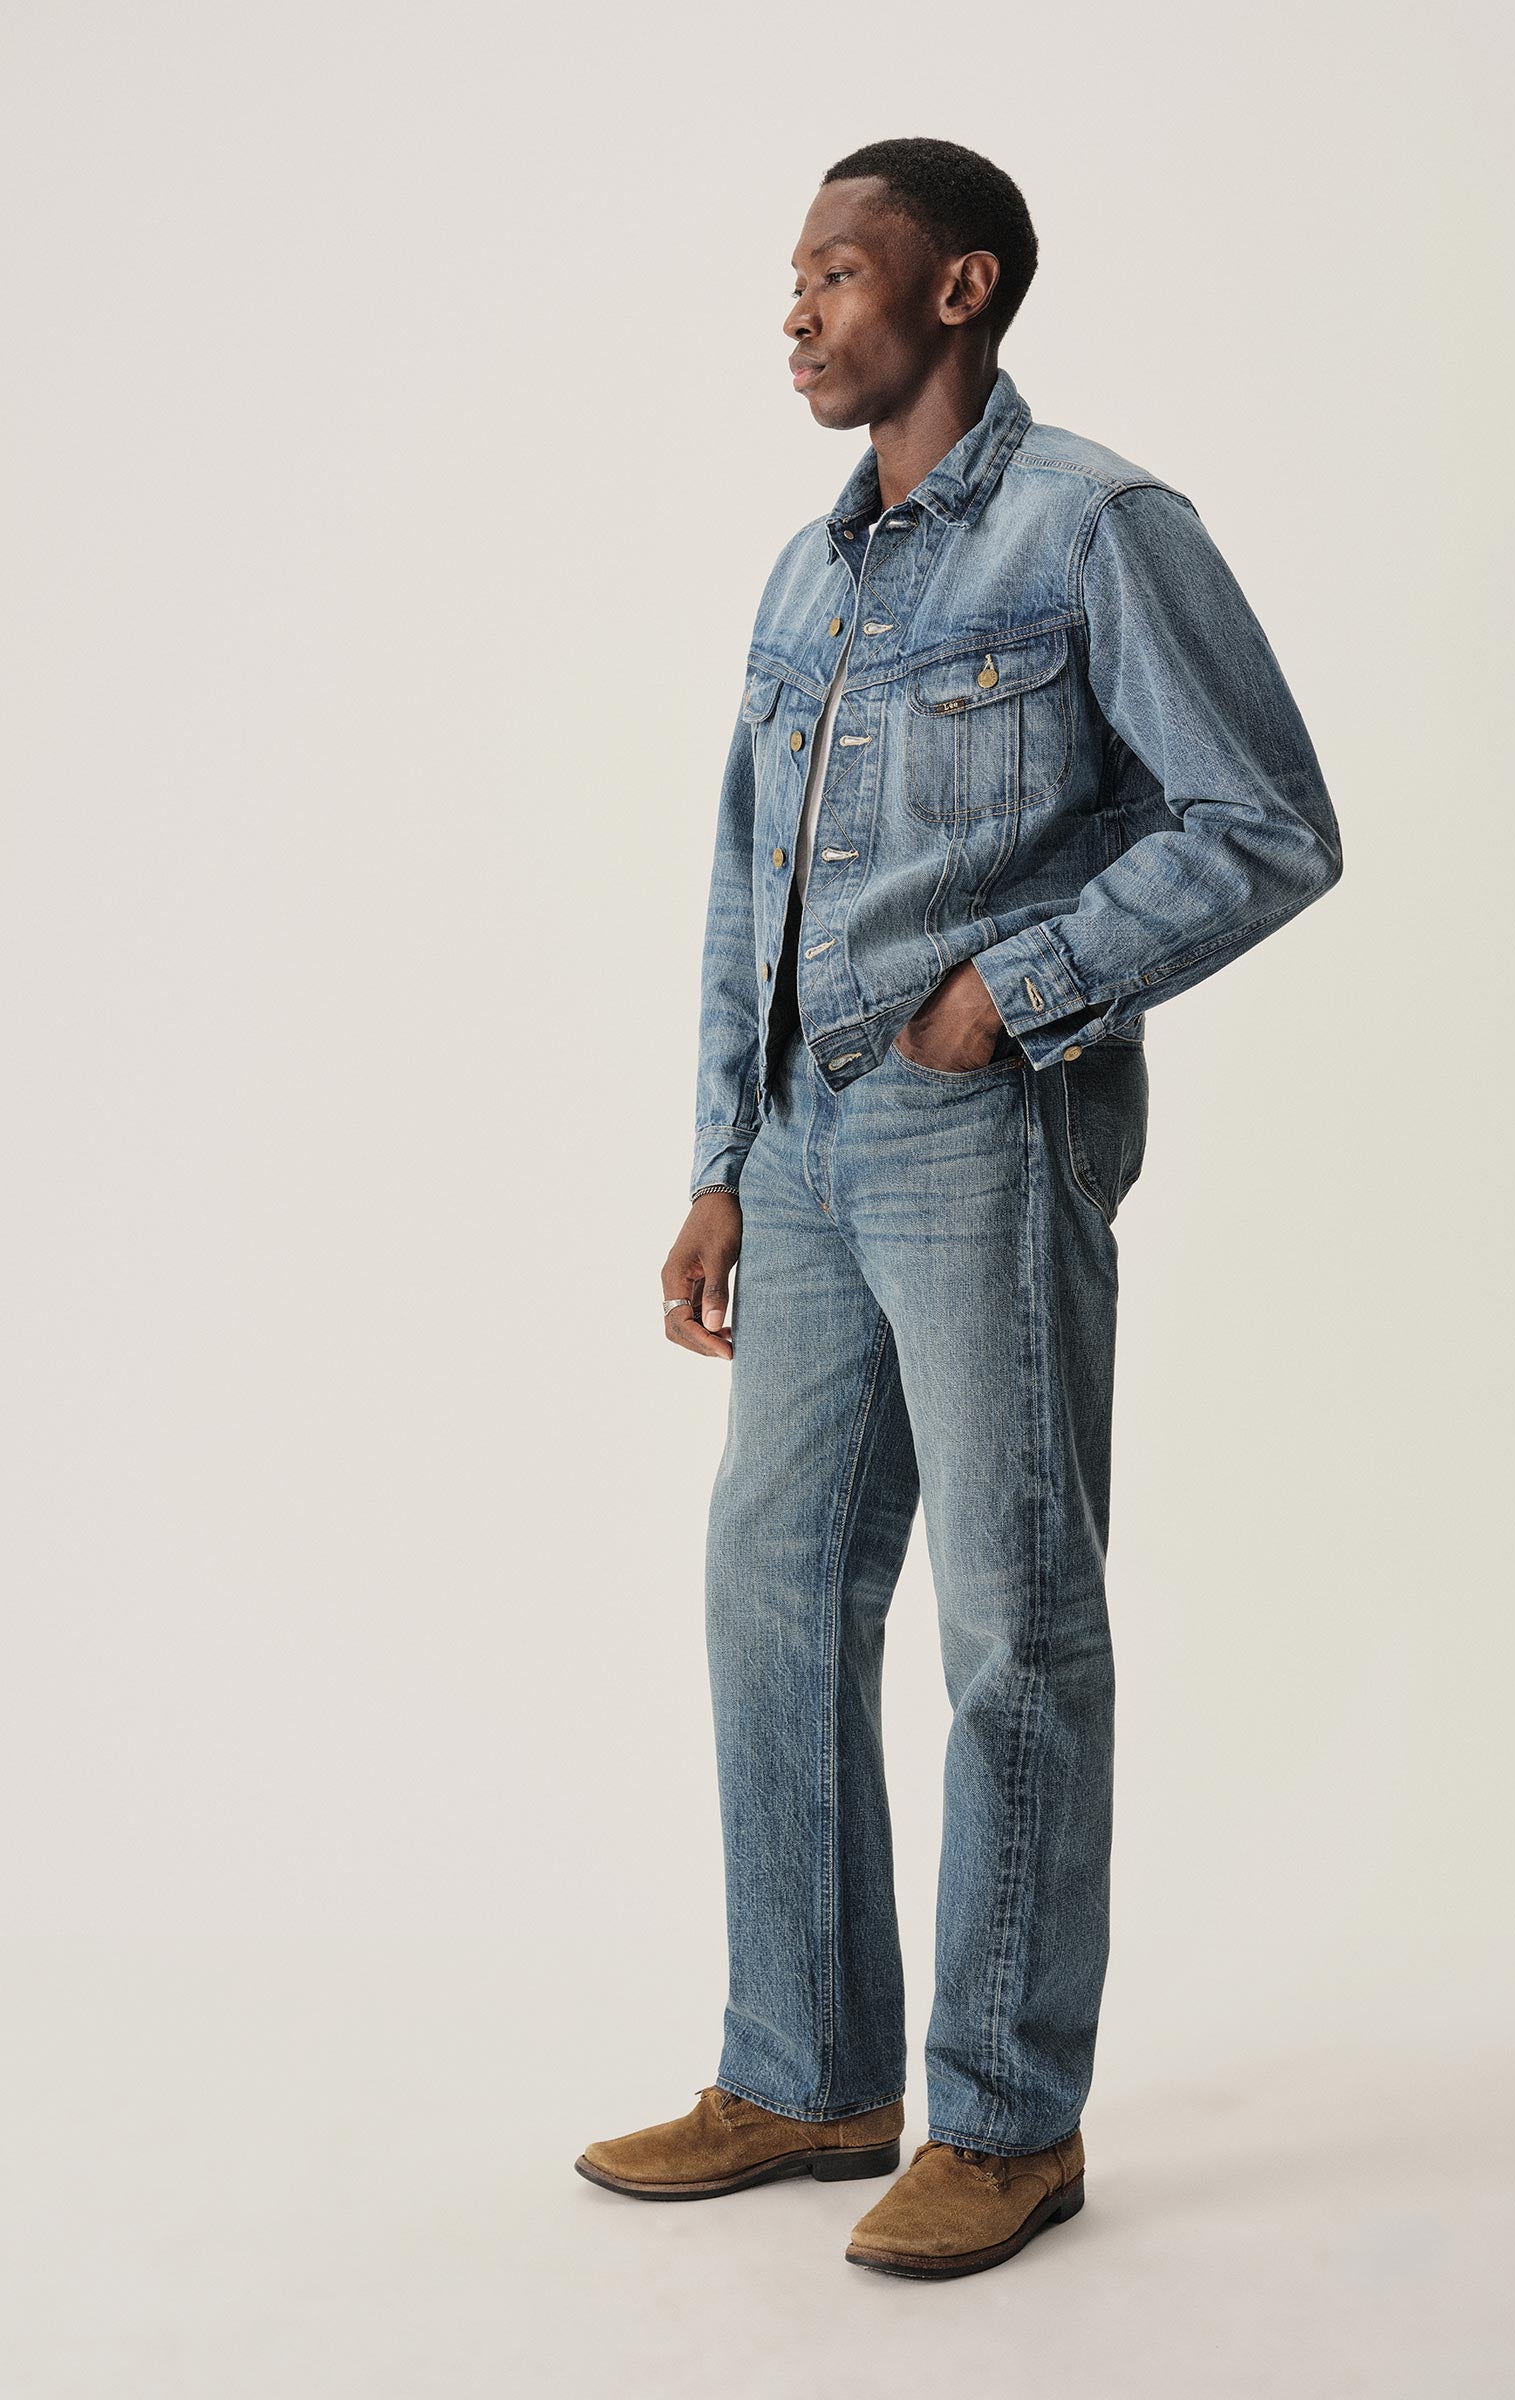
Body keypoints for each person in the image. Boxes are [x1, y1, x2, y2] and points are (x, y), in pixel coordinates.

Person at [576, 136, 1343, 2280]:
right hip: (805, 1147)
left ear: (958, 287)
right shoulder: (806, 576)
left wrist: (1012, 994)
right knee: (771, 1582)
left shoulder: (1096, 526)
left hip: (982, 1130)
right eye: (792, 278)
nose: (798, 311)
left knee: (1013, 1615)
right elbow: (745, 881)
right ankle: (808, 2075)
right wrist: (719, 1158)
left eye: (838, 272)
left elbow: (1267, 821)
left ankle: (1007, 2121)